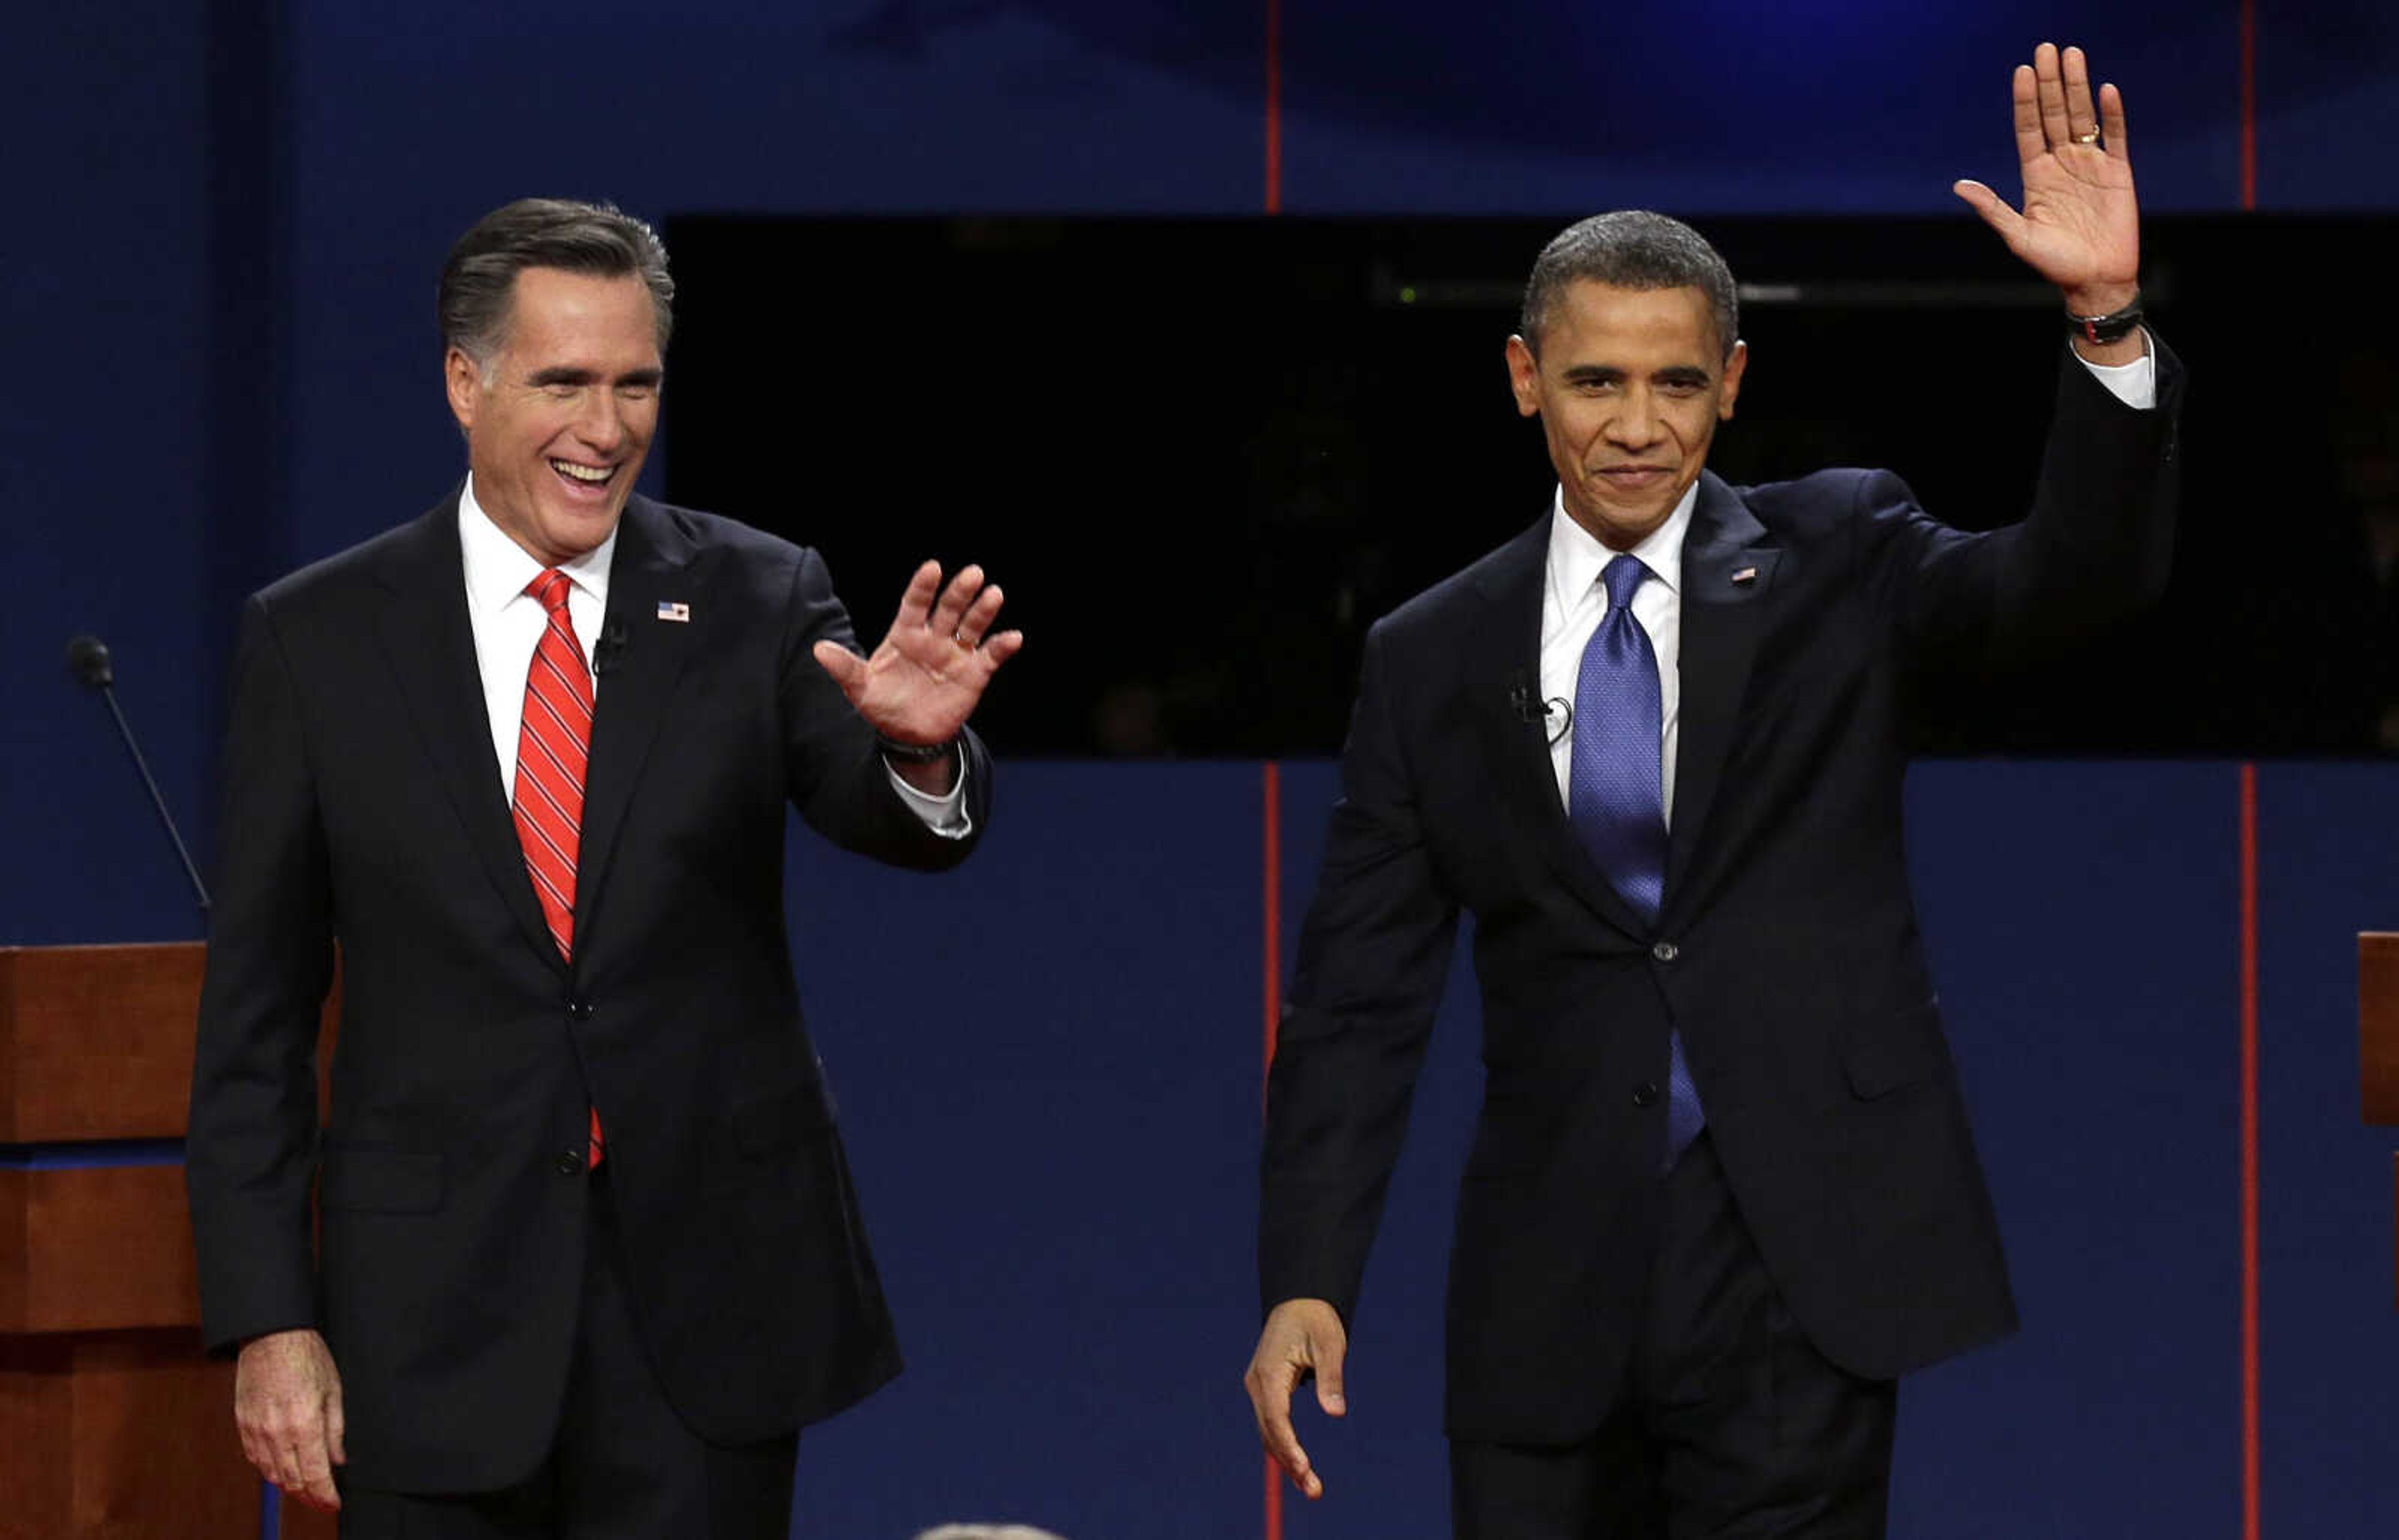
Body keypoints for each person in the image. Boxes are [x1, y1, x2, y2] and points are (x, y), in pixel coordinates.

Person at [1243, 44, 2178, 1539]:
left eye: (1677, 381)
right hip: (1546, 1291)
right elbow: (1359, 1000)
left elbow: (2068, 589)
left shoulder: (1840, 558)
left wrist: (2106, 323)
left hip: (1801, 1271)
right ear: (1523, 377)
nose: (1637, 424)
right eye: (1597, 380)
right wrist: (1306, 1275)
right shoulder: (1431, 656)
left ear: (1731, 385)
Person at [186, 197, 1022, 1539]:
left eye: (637, 383)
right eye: (564, 381)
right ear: (465, 382)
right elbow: (255, 1029)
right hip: (428, 1329)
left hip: (703, 1320)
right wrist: (270, 1318)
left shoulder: (758, 596)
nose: (608, 426)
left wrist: (924, 761)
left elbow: (894, 819)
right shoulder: (320, 639)